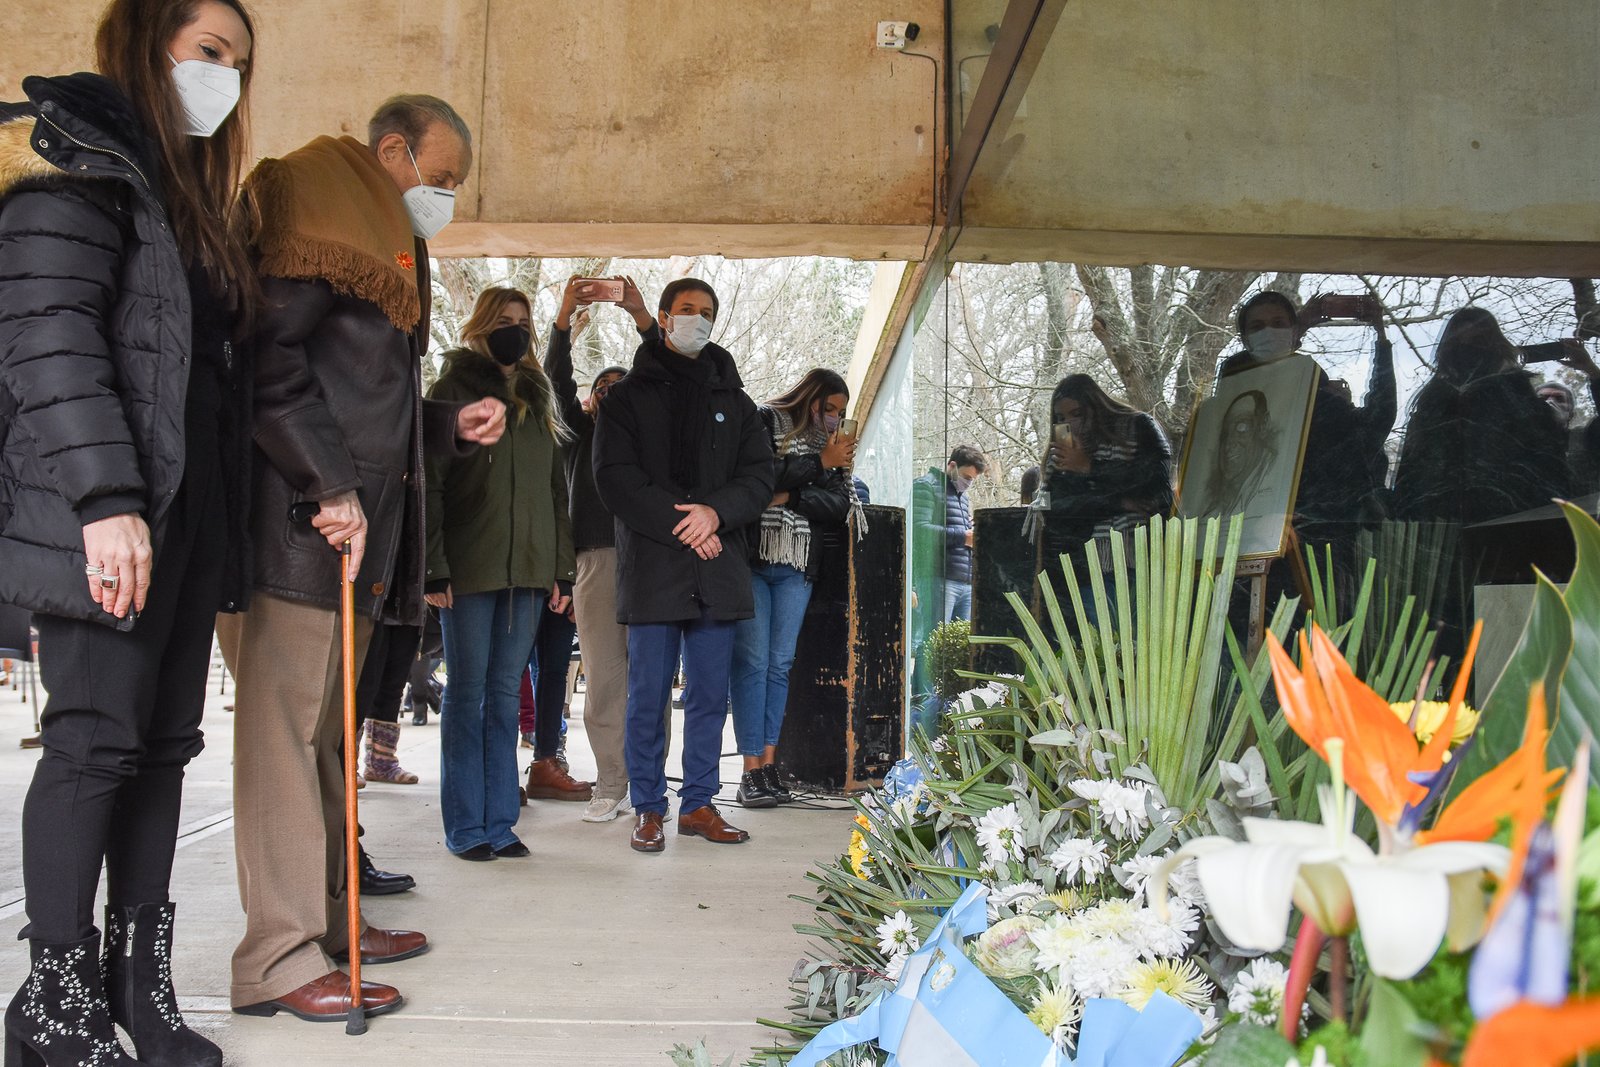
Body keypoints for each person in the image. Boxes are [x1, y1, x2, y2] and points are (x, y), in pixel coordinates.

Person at [0, 2, 256, 1064]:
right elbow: (48, 342)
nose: (226, 78)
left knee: (161, 751)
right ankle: (51, 1010)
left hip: (186, 520)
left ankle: (135, 991)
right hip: (107, 517)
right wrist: (106, 502)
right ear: (145, 47)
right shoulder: (71, 172)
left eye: (240, 63)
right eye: (210, 52)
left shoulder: (189, 203)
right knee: (93, 743)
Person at [217, 94, 504, 1022]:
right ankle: (277, 955)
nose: (447, 197)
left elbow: (355, 399)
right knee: (283, 739)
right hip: (295, 526)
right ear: (393, 150)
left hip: (343, 525)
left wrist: (445, 426)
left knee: (328, 736)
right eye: (444, 176)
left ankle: (331, 924)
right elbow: (266, 364)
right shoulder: (314, 207)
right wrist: (327, 482)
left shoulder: (376, 232)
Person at [593, 278, 775, 854]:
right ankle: (648, 808)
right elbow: (614, 478)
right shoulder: (624, 399)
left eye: (708, 313)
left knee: (707, 695)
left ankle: (698, 803)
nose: (697, 320)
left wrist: (714, 514)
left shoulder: (738, 403)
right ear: (664, 318)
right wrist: (688, 524)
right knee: (646, 694)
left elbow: (759, 477)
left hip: (717, 568)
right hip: (654, 568)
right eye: (687, 310)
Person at [425, 287, 576, 860]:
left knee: (505, 698)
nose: (515, 330)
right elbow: (432, 483)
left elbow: (554, 493)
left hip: (530, 575)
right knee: (467, 695)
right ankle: (466, 826)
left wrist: (560, 570)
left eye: (523, 322)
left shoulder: (539, 400)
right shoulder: (452, 391)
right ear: (481, 327)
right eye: (504, 321)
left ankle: (500, 823)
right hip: (468, 568)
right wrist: (434, 566)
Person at [545, 275, 654, 823]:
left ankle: (649, 784)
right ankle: (612, 782)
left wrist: (639, 315)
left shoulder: (646, 438)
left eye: (623, 384)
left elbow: (663, 373)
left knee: (649, 677)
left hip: (653, 560)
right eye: (602, 386)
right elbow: (555, 379)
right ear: (589, 401)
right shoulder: (576, 435)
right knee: (606, 678)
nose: (612, 391)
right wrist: (564, 316)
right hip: (597, 561)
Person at [731, 370, 857, 808]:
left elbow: (840, 503)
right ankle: (749, 770)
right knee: (752, 662)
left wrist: (789, 497)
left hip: (799, 562)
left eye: (839, 412)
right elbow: (760, 477)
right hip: (752, 555)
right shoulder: (765, 421)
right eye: (828, 409)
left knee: (780, 664)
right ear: (808, 400)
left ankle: (769, 765)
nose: (833, 419)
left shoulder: (835, 446)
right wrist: (818, 466)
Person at [1395, 308, 1571, 524]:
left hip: (1506, 520)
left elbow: (1546, 466)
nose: (1469, 351)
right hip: (1448, 521)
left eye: (1478, 340)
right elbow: (1415, 467)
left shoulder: (1514, 398)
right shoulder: (1436, 401)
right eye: (1461, 343)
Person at [1037, 374, 1173, 553]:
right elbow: (1053, 509)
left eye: (1077, 414)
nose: (1068, 423)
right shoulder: (1061, 452)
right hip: (1079, 561)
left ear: (1096, 407)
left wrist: (1089, 466)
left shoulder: (1138, 425)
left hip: (1137, 553)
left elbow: (1155, 484)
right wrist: (1119, 503)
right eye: (1061, 418)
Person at [911, 445, 987, 625]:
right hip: (938, 579)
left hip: (964, 581)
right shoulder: (926, 486)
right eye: (967, 477)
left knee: (958, 647)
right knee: (933, 641)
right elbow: (920, 531)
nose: (968, 483)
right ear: (952, 466)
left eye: (972, 480)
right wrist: (963, 536)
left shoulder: (962, 496)